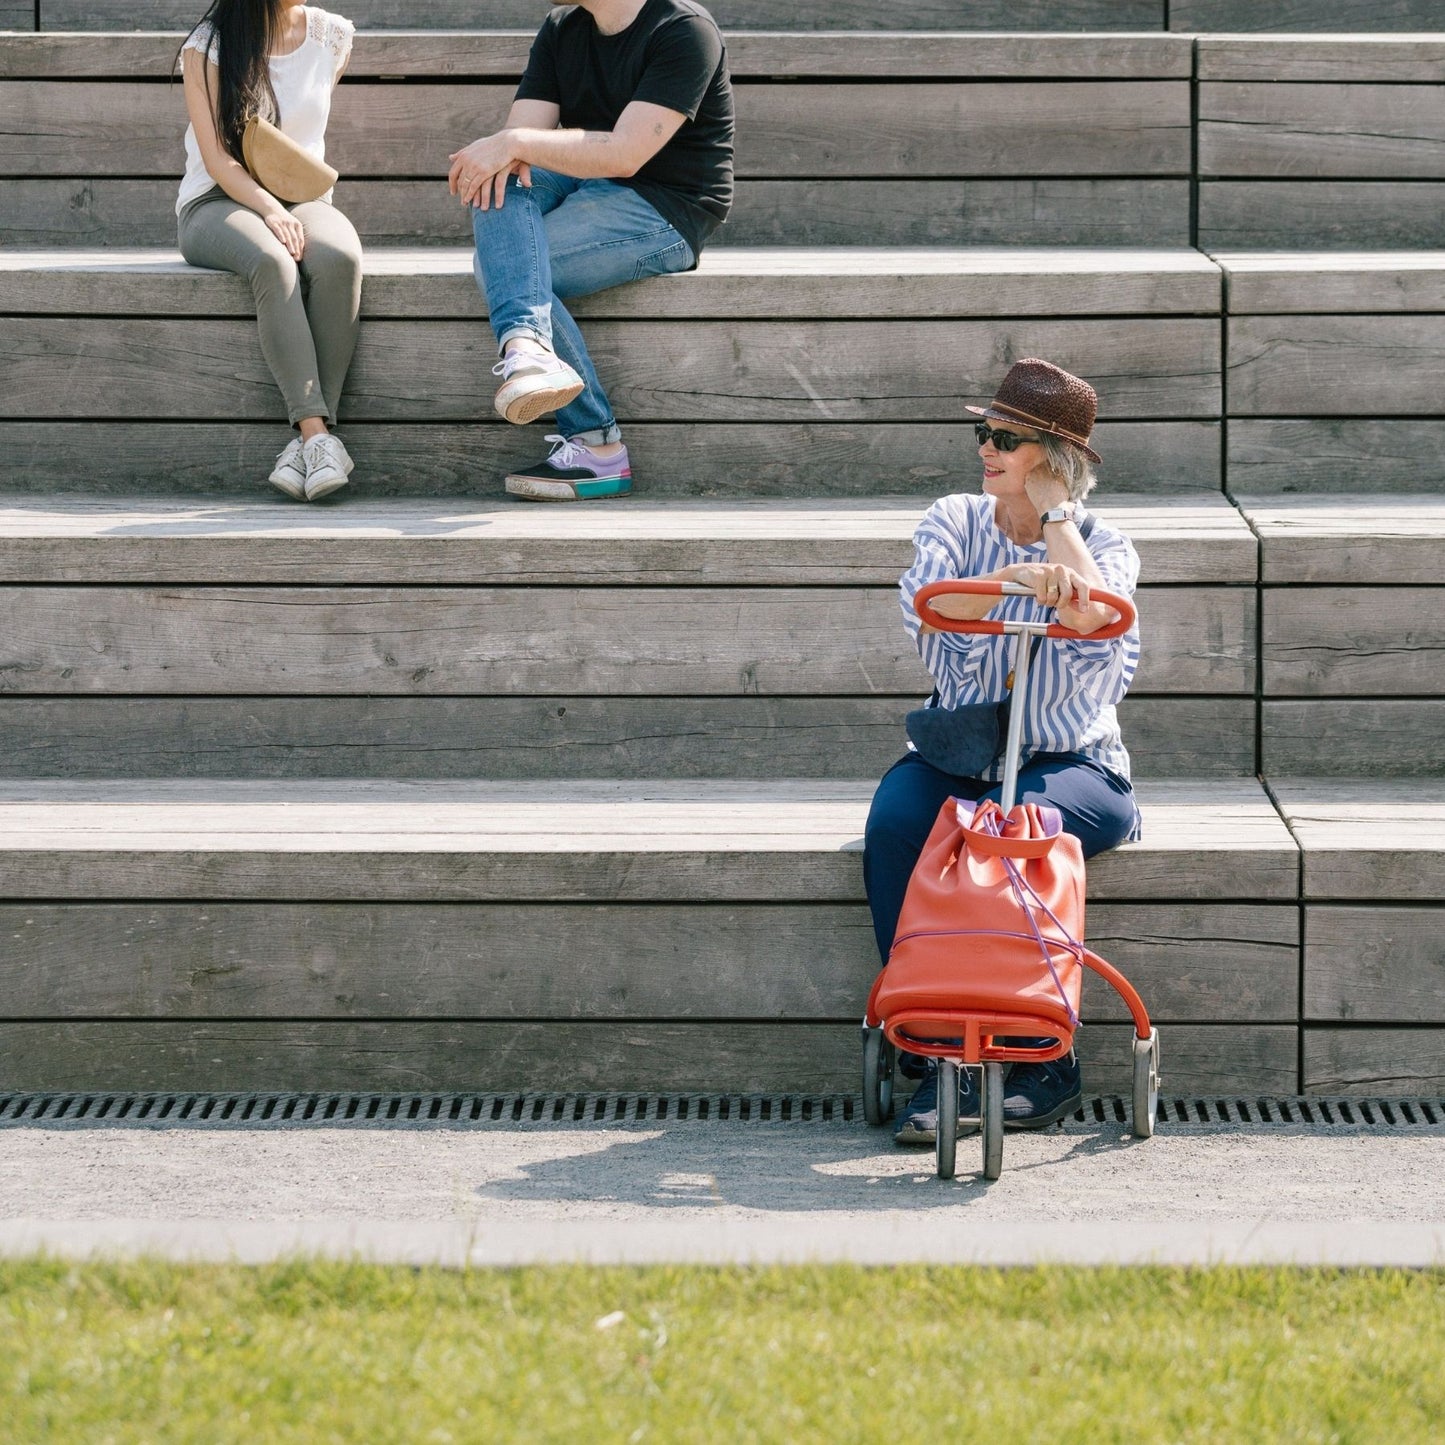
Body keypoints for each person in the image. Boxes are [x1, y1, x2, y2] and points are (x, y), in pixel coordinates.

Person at [864, 358, 1143, 1146]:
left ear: (1050, 463)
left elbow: (1101, 630)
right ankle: (933, 1041)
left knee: (1015, 829)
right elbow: (936, 613)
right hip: (963, 750)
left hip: (1071, 761)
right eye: (982, 431)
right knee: (895, 825)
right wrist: (1017, 583)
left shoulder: (1104, 544)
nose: (983, 446)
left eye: (1006, 438)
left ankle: (1038, 1054)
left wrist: (1055, 526)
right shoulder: (953, 519)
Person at [448, 0, 733, 502]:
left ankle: (597, 444)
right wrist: (506, 146)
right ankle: (527, 351)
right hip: (588, 183)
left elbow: (625, 154)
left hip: (667, 206)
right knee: (503, 180)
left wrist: (512, 140)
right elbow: (517, 150)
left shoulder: (685, 30)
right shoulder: (563, 27)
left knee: (505, 267)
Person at [177, 0, 360, 501]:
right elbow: (216, 158)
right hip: (214, 202)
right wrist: (270, 210)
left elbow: (298, 140)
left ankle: (311, 447)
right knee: (274, 261)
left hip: (303, 196)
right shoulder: (208, 45)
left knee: (339, 258)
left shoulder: (332, 36)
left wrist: (288, 205)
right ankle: (316, 435)